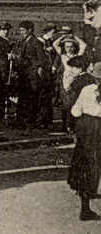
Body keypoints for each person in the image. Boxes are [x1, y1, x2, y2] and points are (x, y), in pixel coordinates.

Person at [67, 60, 101, 221]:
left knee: (85, 165)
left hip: (86, 127)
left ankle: (85, 208)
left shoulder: (88, 89)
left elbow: (75, 111)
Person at [13, 20, 48, 129]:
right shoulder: (23, 41)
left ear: (30, 30)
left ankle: (29, 121)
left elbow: (42, 60)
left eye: (23, 30)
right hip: (24, 74)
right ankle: (22, 120)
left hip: (32, 75)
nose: (21, 32)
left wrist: (38, 72)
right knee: (23, 97)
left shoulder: (36, 42)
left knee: (31, 98)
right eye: (20, 30)